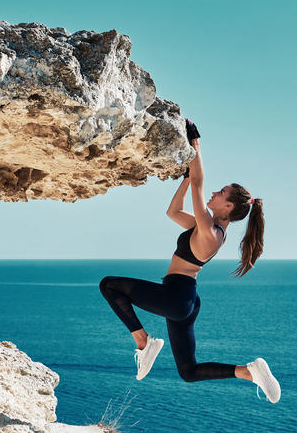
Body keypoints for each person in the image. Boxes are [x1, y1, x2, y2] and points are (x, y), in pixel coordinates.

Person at [99, 120, 280, 403]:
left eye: (221, 193)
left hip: (177, 296)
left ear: (228, 206)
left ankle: (144, 341)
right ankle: (248, 371)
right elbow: (173, 211)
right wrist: (185, 176)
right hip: (185, 300)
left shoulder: (209, 232)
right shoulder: (210, 229)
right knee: (189, 371)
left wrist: (195, 144)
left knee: (109, 285)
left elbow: (199, 183)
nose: (214, 194)